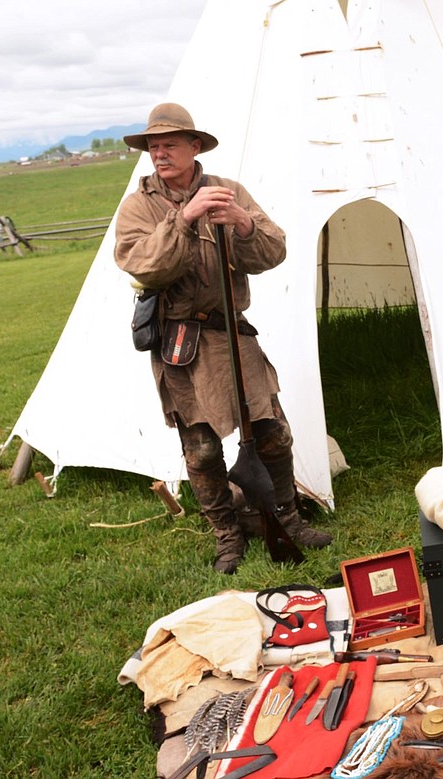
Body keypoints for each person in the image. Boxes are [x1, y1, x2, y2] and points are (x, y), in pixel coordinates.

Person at [115, 103, 331, 574]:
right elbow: (144, 265)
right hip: (181, 344)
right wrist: (185, 218)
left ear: (195, 147)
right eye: (153, 146)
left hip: (233, 336)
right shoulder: (138, 207)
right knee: (203, 449)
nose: (159, 153)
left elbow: (272, 251)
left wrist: (244, 223)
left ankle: (288, 522)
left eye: (170, 144)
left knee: (273, 435)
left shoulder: (228, 191)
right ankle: (227, 538)